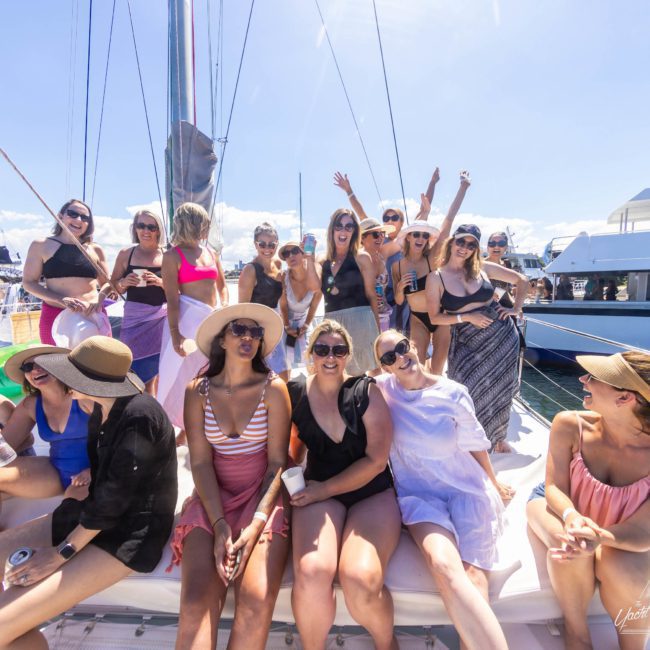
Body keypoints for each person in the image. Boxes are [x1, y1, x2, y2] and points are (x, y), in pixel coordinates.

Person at [0, 336, 178, 649]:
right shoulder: (103, 408)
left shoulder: (139, 417)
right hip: (88, 514)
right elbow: (106, 476)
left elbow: (113, 503)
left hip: (125, 537)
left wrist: (58, 555)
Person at [374, 329, 513, 650]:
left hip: (466, 490)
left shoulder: (454, 392)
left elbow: (477, 445)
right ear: (384, 368)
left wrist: (493, 483)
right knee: (442, 564)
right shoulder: (383, 391)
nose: (400, 357)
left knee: (475, 578)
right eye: (388, 357)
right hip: (420, 497)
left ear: (414, 345)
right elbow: (337, 382)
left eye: (402, 347)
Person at [170, 304, 290, 650]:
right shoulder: (198, 391)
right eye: (239, 330)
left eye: (255, 333)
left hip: (262, 496)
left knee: (254, 602)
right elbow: (201, 463)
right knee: (194, 604)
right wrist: (220, 523)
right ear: (221, 340)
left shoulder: (273, 388)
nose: (248, 337)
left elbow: (277, 463)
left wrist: (256, 523)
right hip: (213, 495)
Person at [287, 320, 401, 650]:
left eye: (338, 350)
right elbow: (288, 450)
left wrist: (321, 490)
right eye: (321, 350)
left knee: (360, 578)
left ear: (348, 355)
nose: (330, 357)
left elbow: (377, 461)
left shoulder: (365, 391)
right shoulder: (295, 393)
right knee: (311, 572)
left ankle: (386, 644)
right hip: (319, 491)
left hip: (371, 493)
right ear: (310, 354)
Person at [526, 352, 650, 650]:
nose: (583, 380)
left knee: (627, 572)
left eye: (593, 378)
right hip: (559, 505)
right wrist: (572, 517)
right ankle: (577, 634)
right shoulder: (570, 424)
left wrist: (600, 537)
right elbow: (555, 488)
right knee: (566, 543)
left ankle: (633, 644)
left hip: (624, 526)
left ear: (624, 399)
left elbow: (644, 531)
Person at [425, 224, 529, 452]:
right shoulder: (436, 278)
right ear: (452, 242)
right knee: (467, 389)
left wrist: (515, 309)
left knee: (500, 389)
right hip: (466, 340)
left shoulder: (483, 268)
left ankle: (498, 439)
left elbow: (522, 280)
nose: (464, 247)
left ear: (475, 248)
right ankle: (470, 441)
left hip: (501, 337)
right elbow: (435, 317)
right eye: (461, 241)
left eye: (471, 244)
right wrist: (467, 317)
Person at [334, 168, 441, 333]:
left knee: (402, 336)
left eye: (394, 218)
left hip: (403, 296)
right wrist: (349, 191)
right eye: (386, 218)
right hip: (378, 301)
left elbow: (422, 216)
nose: (390, 220)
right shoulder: (378, 243)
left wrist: (432, 184)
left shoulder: (407, 241)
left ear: (402, 221)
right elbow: (362, 216)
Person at [393, 172, 472, 375]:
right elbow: (399, 301)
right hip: (417, 318)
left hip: (441, 319)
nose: (420, 238)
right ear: (408, 238)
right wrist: (400, 288)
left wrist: (463, 188)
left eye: (424, 235)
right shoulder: (398, 267)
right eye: (416, 234)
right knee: (416, 368)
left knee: (436, 372)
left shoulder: (432, 257)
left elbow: (449, 219)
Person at [158, 202, 228, 430]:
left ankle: (203, 426)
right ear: (192, 224)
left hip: (212, 321)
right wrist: (175, 335)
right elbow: (172, 300)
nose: (206, 228)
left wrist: (224, 308)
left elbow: (223, 287)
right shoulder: (171, 256)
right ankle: (178, 428)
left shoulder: (211, 252)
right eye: (203, 223)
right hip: (187, 324)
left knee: (211, 374)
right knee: (181, 378)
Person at [0, 345, 90, 520]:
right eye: (28, 367)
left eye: (43, 362)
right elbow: (6, 445)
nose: (35, 370)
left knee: (72, 517)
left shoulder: (83, 397)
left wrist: (94, 471)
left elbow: (120, 438)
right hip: (54, 472)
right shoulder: (31, 405)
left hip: (96, 471)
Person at [22, 199, 110, 345]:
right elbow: (29, 283)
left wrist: (100, 299)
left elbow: (108, 283)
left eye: (84, 217)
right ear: (60, 216)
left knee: (97, 365)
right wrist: (59, 299)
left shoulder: (95, 249)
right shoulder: (40, 245)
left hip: (93, 317)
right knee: (55, 365)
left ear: (89, 223)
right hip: (56, 315)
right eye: (73, 214)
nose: (78, 219)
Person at [317, 209, 382, 375]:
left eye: (349, 226)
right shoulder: (322, 261)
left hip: (362, 321)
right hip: (331, 324)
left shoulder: (362, 257)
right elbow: (314, 290)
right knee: (335, 374)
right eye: (339, 226)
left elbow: (371, 296)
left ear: (354, 232)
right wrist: (308, 258)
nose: (343, 230)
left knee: (371, 373)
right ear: (332, 229)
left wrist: (377, 332)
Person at [111, 210, 167, 393]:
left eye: (151, 227)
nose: (146, 230)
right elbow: (113, 287)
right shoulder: (126, 254)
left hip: (160, 320)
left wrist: (160, 282)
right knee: (131, 369)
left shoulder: (168, 255)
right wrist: (123, 283)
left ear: (158, 230)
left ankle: (153, 414)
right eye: (141, 225)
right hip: (133, 321)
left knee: (156, 376)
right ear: (134, 228)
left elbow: (180, 290)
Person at [239, 223, 288, 377]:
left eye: (271, 244)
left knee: (283, 375)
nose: (267, 248)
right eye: (262, 244)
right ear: (255, 244)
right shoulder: (250, 270)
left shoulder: (278, 265)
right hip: (257, 329)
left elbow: (282, 300)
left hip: (276, 325)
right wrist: (248, 337)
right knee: (262, 376)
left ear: (277, 244)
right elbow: (242, 310)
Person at [278, 240, 322, 375]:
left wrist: (307, 324)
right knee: (285, 364)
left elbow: (315, 304)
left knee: (313, 361)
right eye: (287, 253)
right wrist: (286, 326)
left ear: (303, 253)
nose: (291, 256)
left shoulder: (315, 272)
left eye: (295, 251)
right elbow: (283, 305)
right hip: (284, 323)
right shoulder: (283, 276)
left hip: (304, 322)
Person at [359, 218, 395, 332]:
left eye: (382, 234)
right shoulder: (357, 260)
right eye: (375, 234)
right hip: (364, 317)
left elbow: (404, 240)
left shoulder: (381, 256)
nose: (380, 237)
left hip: (384, 316)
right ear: (362, 238)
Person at [485, 231, 515, 307]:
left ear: (506, 247)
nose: (496, 247)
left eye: (501, 243)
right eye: (492, 243)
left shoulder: (506, 265)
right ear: (488, 247)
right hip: (484, 310)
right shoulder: (479, 265)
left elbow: (505, 291)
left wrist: (515, 304)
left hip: (503, 309)